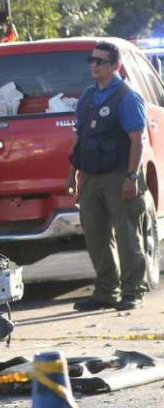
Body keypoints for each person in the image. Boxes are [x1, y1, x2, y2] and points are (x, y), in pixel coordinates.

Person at [68, 40, 149, 312]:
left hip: (118, 176)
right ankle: (105, 291)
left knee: (127, 235)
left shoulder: (127, 97)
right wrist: (73, 175)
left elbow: (136, 142)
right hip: (90, 176)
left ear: (115, 66)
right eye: (91, 60)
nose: (94, 65)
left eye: (100, 61)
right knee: (95, 236)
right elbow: (80, 139)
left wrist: (132, 177)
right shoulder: (87, 97)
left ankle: (132, 291)